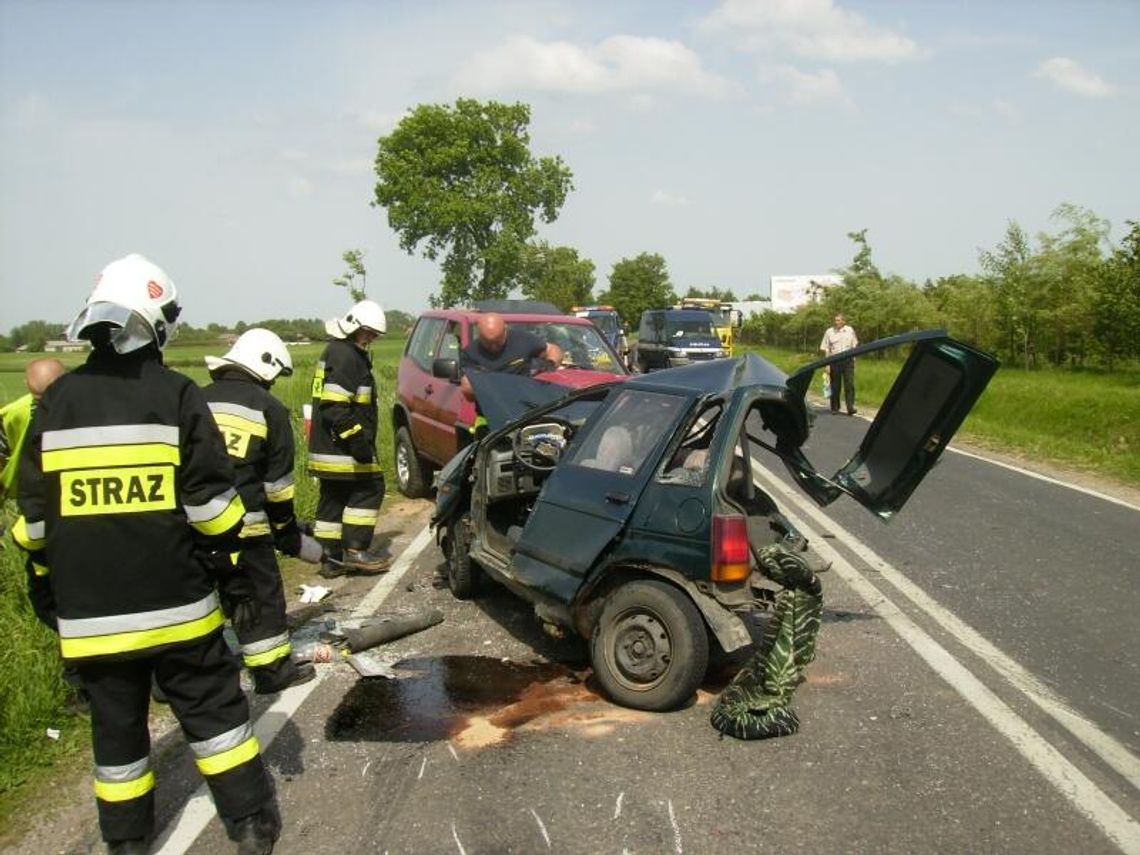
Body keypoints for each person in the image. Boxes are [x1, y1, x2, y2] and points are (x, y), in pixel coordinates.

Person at [11, 254, 281, 854]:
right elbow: (214, 509)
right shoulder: (176, 395)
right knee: (214, 713)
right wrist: (234, 576)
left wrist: (44, 582)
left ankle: (127, 841)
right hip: (178, 609)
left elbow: (34, 520)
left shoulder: (57, 402)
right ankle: (249, 822)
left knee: (117, 734)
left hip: (91, 619)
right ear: (157, 323)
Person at [203, 329, 317, 694]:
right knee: (260, 599)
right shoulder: (268, 409)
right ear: (266, 366)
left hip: (192, 528)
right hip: (245, 528)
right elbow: (277, 487)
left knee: (198, 604)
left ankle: (178, 678)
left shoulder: (195, 400)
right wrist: (286, 532)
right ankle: (271, 672)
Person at [307, 299, 389, 578]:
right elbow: (334, 406)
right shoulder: (346, 356)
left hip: (326, 447)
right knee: (371, 487)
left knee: (333, 497)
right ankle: (355, 551)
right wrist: (357, 442)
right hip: (343, 449)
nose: (371, 338)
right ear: (355, 328)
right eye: (369, 333)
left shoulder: (335, 350)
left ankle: (330, 559)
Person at [0, 358, 66, 501]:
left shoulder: (11, 413)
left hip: (27, 493)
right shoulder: (82, 406)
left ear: (26, 383)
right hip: (72, 490)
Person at [459, 313, 563, 401]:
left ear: (505, 330)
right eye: (488, 343)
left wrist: (551, 363)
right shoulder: (470, 353)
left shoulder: (523, 340)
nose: (494, 347)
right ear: (479, 335)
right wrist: (471, 387)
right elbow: (468, 394)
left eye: (498, 342)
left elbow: (553, 350)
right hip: (491, 408)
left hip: (523, 404)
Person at [819, 313, 859, 415]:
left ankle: (850, 407)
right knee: (835, 385)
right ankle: (835, 407)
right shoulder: (829, 332)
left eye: (838, 320)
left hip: (848, 360)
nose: (836, 322)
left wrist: (854, 360)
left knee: (849, 384)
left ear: (843, 321)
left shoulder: (850, 330)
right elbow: (826, 349)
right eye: (835, 320)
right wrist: (827, 364)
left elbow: (854, 346)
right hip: (835, 360)